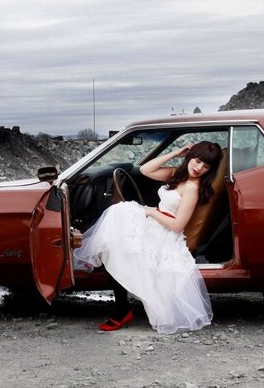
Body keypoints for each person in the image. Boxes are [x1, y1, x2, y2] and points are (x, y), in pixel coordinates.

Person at [73, 141, 223, 334]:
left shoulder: (192, 188)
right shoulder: (177, 175)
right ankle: (120, 306)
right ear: (190, 157)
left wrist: (150, 212)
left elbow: (177, 226)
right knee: (117, 223)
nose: (199, 168)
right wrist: (176, 152)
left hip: (166, 233)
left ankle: (121, 309)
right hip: (157, 224)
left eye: (206, 166)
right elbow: (145, 170)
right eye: (197, 160)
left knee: (118, 229)